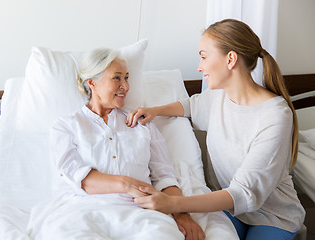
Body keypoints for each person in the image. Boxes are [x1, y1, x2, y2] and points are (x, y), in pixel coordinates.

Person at [126, 19, 305, 240]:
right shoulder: (220, 95)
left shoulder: (275, 116)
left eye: (203, 56)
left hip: (273, 216)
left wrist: (172, 203)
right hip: (230, 210)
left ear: (230, 59)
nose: (199, 66)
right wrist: (155, 110)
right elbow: (191, 106)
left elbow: (243, 193)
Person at [27, 48, 205, 240]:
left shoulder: (142, 124)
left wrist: (182, 214)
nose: (126, 86)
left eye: (127, 78)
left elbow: (165, 176)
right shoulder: (66, 127)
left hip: (141, 213)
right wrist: (125, 184)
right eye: (117, 78)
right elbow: (81, 178)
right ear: (92, 83)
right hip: (82, 211)